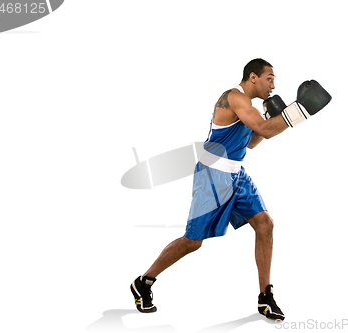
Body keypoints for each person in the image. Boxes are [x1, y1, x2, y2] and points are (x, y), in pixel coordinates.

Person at [130, 58, 331, 321]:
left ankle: (265, 297)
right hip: (212, 177)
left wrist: (273, 117)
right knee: (192, 241)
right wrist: (299, 111)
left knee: (265, 224)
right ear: (253, 77)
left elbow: (253, 142)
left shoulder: (250, 108)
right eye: (269, 78)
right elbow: (264, 131)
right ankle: (144, 281)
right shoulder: (234, 98)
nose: (273, 84)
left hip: (237, 175)